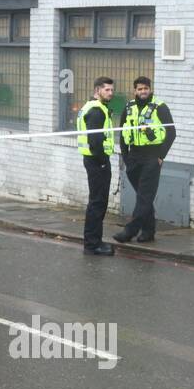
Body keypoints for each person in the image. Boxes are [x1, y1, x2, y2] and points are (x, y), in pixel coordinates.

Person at [114, 76, 176, 244]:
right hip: (133, 157)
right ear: (135, 90)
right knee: (144, 197)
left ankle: (130, 231)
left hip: (152, 157)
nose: (143, 92)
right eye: (140, 89)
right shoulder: (129, 107)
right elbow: (122, 132)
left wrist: (161, 156)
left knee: (144, 196)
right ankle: (148, 232)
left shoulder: (160, 107)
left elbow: (171, 133)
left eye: (145, 89)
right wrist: (126, 157)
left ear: (150, 89)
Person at [76, 76, 117, 257]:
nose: (110, 93)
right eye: (107, 90)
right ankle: (92, 245)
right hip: (97, 161)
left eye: (111, 90)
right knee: (98, 203)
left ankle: (93, 242)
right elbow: (95, 140)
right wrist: (102, 161)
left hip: (93, 160)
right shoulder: (96, 111)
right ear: (97, 90)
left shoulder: (91, 107)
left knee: (97, 202)